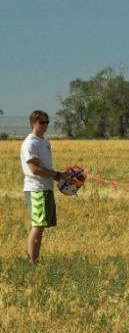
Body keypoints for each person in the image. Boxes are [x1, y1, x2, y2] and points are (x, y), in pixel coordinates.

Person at [20, 110, 69, 264]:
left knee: (41, 226)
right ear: (33, 123)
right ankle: (33, 262)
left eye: (47, 122)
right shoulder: (31, 143)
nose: (45, 125)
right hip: (36, 188)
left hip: (46, 188)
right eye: (42, 122)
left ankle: (35, 259)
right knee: (38, 225)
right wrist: (56, 175)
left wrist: (61, 176)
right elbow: (34, 169)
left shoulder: (45, 142)